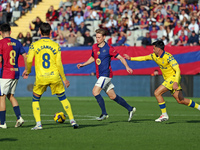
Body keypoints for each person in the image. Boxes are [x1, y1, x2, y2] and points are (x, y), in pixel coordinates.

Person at [124, 40, 200, 122]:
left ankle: (164, 115)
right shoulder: (154, 56)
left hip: (173, 78)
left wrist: (175, 82)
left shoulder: (168, 57)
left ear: (159, 49)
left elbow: (177, 70)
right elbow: (144, 58)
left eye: (154, 48)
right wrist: (130, 58)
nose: (153, 50)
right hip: (169, 79)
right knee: (181, 100)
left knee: (157, 93)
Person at [26, 23, 78, 130]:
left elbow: (29, 59)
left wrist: (28, 71)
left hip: (41, 77)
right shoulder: (55, 45)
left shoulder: (34, 45)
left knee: (35, 99)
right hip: (54, 76)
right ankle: (72, 121)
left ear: (39, 31)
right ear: (50, 32)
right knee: (63, 98)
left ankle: (39, 124)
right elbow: (59, 63)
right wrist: (64, 79)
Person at [77, 28, 136, 122]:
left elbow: (120, 58)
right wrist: (83, 64)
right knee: (112, 96)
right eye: (96, 37)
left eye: (99, 37)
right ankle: (130, 109)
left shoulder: (109, 48)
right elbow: (93, 57)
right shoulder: (94, 47)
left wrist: (127, 67)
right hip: (100, 75)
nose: (97, 39)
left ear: (104, 37)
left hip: (106, 74)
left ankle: (104, 114)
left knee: (95, 92)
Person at [0, 23, 27, 129]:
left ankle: (2, 123)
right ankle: (19, 118)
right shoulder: (17, 42)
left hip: (5, 73)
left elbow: (0, 59)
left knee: (1, 97)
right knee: (10, 96)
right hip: (15, 72)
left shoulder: (1, 43)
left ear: (1, 33)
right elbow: (25, 55)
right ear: (10, 32)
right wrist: (27, 69)